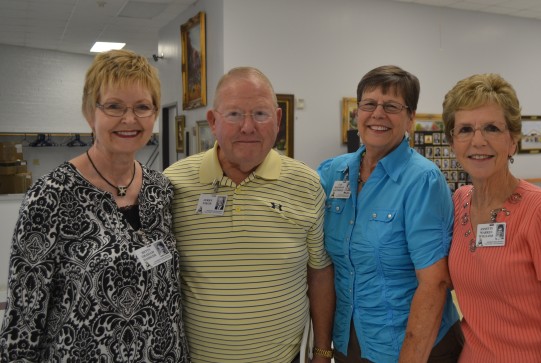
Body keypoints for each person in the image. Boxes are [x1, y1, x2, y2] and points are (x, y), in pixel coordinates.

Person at [0, 49, 189, 362]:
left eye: (142, 107)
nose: (130, 119)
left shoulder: (160, 190)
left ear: (154, 114)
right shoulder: (50, 196)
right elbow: (24, 320)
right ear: (90, 112)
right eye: (114, 106)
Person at [164, 67, 335, 363]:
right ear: (213, 122)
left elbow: (319, 273)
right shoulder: (173, 184)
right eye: (233, 115)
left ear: (278, 120)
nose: (247, 127)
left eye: (260, 114)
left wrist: (321, 351)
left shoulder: (307, 185)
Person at [318, 65, 462, 363]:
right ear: (357, 113)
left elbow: (434, 282)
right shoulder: (333, 172)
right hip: (349, 341)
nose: (378, 114)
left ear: (410, 118)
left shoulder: (423, 181)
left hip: (412, 347)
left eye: (392, 106)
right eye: (369, 104)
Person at [442, 73, 541, 362]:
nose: (478, 141)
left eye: (492, 128)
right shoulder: (459, 201)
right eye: (465, 129)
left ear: (513, 141)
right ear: (452, 142)